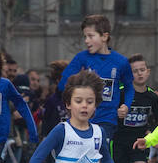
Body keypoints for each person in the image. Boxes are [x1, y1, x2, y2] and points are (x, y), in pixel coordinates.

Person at [57, 15, 134, 149]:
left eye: (91, 36)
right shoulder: (81, 58)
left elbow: (129, 88)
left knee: (97, 153)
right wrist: (78, 84)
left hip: (107, 119)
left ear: (104, 36)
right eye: (85, 37)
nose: (86, 41)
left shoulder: (121, 62)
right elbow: (62, 85)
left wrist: (126, 105)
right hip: (82, 118)